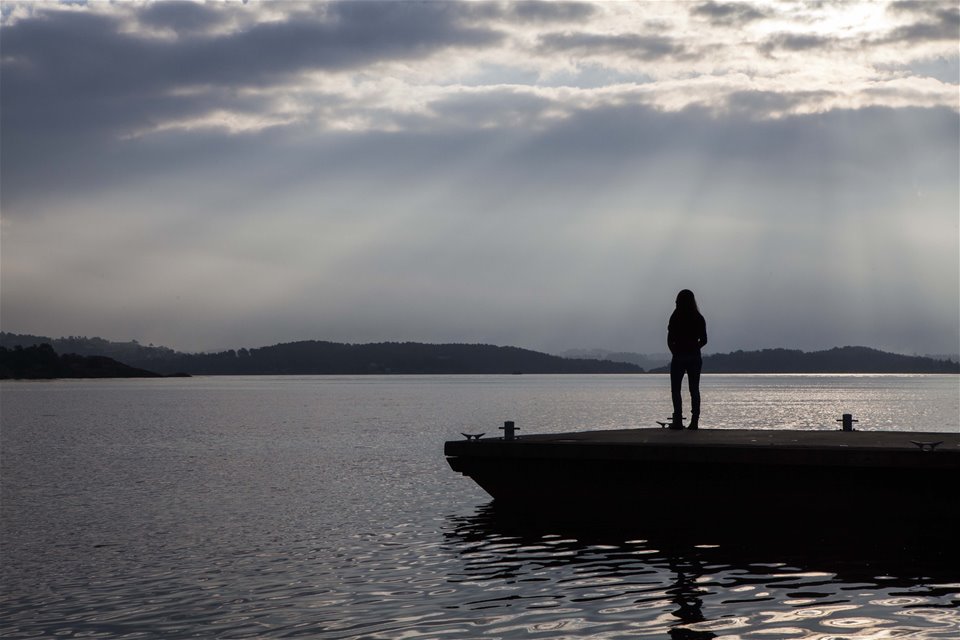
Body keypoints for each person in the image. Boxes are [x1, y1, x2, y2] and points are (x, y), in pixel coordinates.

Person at [667, 289, 707, 430]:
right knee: (694, 390)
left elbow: (670, 339)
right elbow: (704, 340)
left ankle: (678, 420)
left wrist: (676, 352)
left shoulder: (675, 316)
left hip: (679, 356)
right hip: (694, 357)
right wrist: (694, 347)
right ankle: (694, 421)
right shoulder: (698, 317)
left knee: (675, 390)